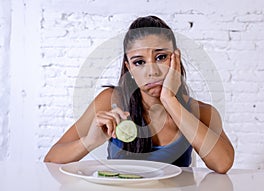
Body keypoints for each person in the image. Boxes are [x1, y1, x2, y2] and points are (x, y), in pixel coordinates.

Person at [44, 15, 234, 174]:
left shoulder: (201, 111)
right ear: (129, 69)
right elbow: (52, 159)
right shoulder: (111, 100)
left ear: (176, 58)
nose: (152, 71)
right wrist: (89, 142)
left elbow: (222, 164)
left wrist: (169, 100)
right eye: (139, 62)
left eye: (161, 57)